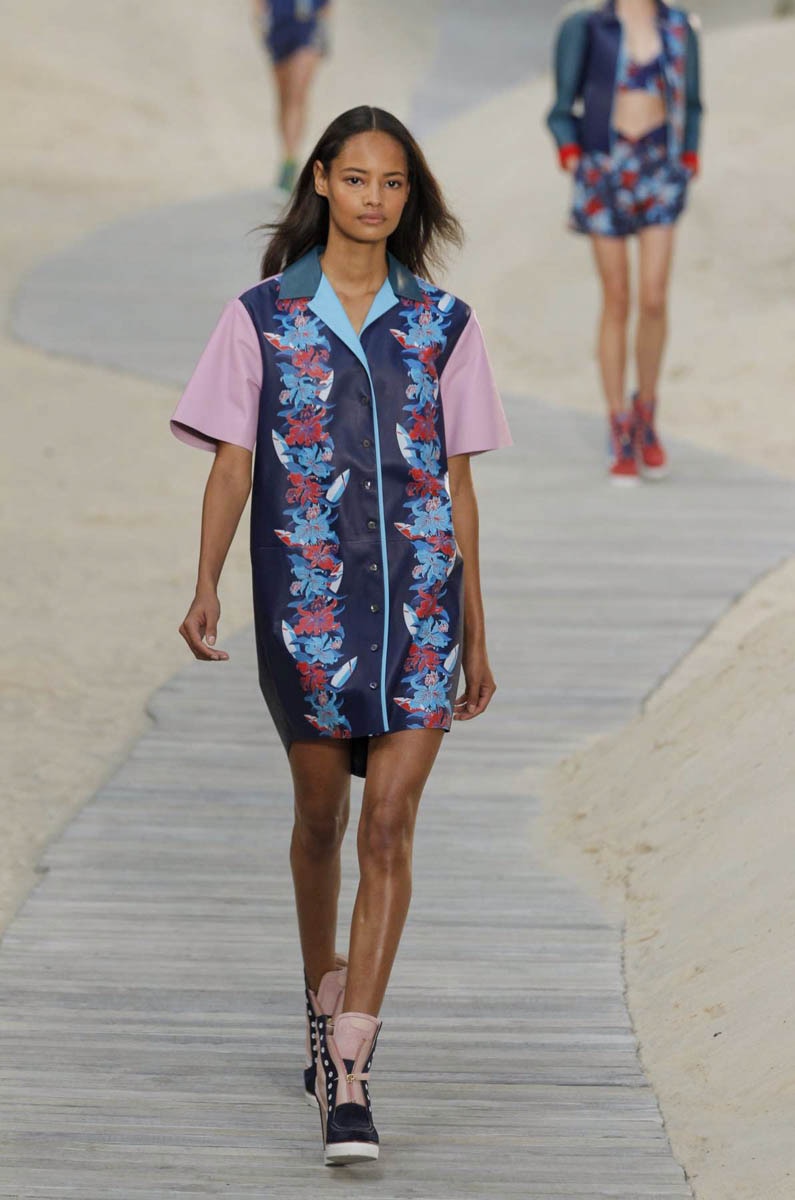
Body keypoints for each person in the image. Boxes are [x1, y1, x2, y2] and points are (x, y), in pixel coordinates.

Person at [171, 105, 512, 1165]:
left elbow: (457, 485)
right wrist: (205, 583)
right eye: (357, 178)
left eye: (393, 183)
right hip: (306, 608)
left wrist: (475, 630)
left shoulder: (444, 324)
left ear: (411, 197)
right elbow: (233, 461)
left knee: (390, 824)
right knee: (321, 820)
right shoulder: (262, 318)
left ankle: (352, 1066)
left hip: (421, 609)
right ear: (320, 180)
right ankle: (321, 995)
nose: (375, 198)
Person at [547, 0, 703, 484]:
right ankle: (618, 425)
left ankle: (646, 416)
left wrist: (690, 154)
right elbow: (561, 106)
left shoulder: (679, 25)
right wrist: (570, 151)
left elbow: (693, 102)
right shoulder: (587, 25)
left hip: (660, 164)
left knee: (653, 297)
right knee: (616, 297)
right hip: (604, 165)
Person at [255, 0, 332, 193]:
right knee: (284, 98)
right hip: (279, 24)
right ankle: (286, 156)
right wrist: (261, 20)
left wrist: (324, 23)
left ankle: (291, 160)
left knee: (297, 96)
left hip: (308, 24)